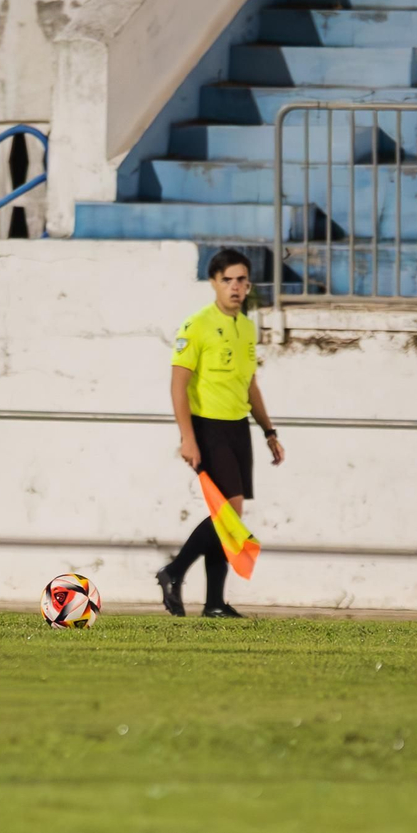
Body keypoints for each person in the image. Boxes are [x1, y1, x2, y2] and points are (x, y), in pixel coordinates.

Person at [155, 249, 284, 618]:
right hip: (207, 426)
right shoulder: (196, 325)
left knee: (227, 516)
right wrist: (187, 437)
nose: (235, 287)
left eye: (242, 279)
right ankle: (173, 571)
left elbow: (250, 385)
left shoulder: (246, 326)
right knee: (230, 511)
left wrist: (269, 431)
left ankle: (213, 602)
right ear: (213, 282)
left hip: (238, 427)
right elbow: (178, 385)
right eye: (227, 279)